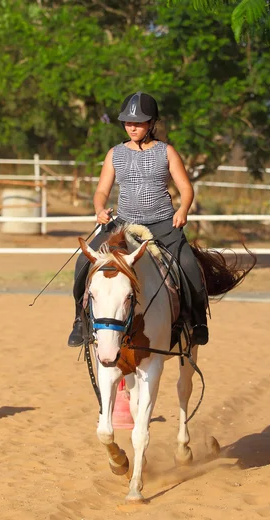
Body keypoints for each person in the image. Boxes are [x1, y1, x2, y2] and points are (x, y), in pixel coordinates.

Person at [67, 91, 208, 348]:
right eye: (128, 122)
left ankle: (198, 322)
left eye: (139, 122)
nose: (132, 127)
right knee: (81, 263)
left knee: (188, 265)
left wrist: (183, 209)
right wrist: (99, 209)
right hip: (124, 224)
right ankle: (80, 320)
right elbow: (101, 190)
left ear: (151, 124)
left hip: (163, 223)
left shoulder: (167, 152)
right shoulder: (115, 154)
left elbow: (186, 188)